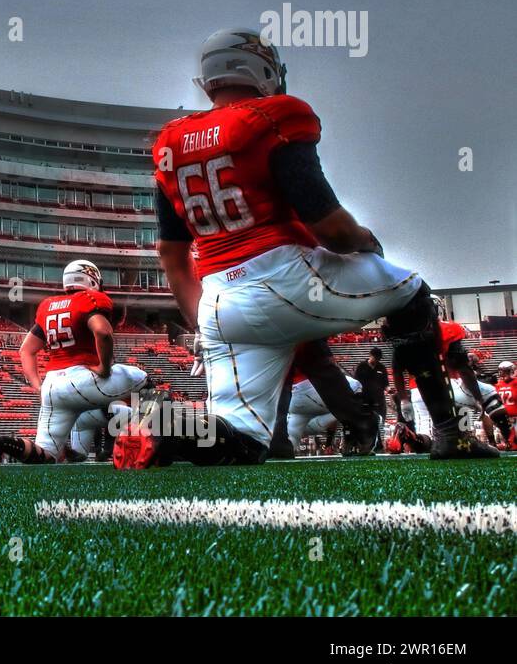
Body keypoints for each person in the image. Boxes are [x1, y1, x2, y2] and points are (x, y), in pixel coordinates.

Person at [119, 28, 494, 467]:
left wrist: (204, 320)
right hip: (285, 276)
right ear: (263, 69)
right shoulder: (275, 116)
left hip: (220, 301)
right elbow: (330, 226)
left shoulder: (169, 143)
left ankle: (168, 430)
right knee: (411, 292)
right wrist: (365, 240)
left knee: (243, 442)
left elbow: (170, 253)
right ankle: (451, 433)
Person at [0, 260, 148, 463]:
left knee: (46, 454)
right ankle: (161, 440)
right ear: (92, 279)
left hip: (52, 387)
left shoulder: (47, 306)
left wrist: (38, 387)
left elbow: (26, 351)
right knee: (144, 381)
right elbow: (103, 332)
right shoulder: (90, 299)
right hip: (82, 379)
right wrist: (104, 368)